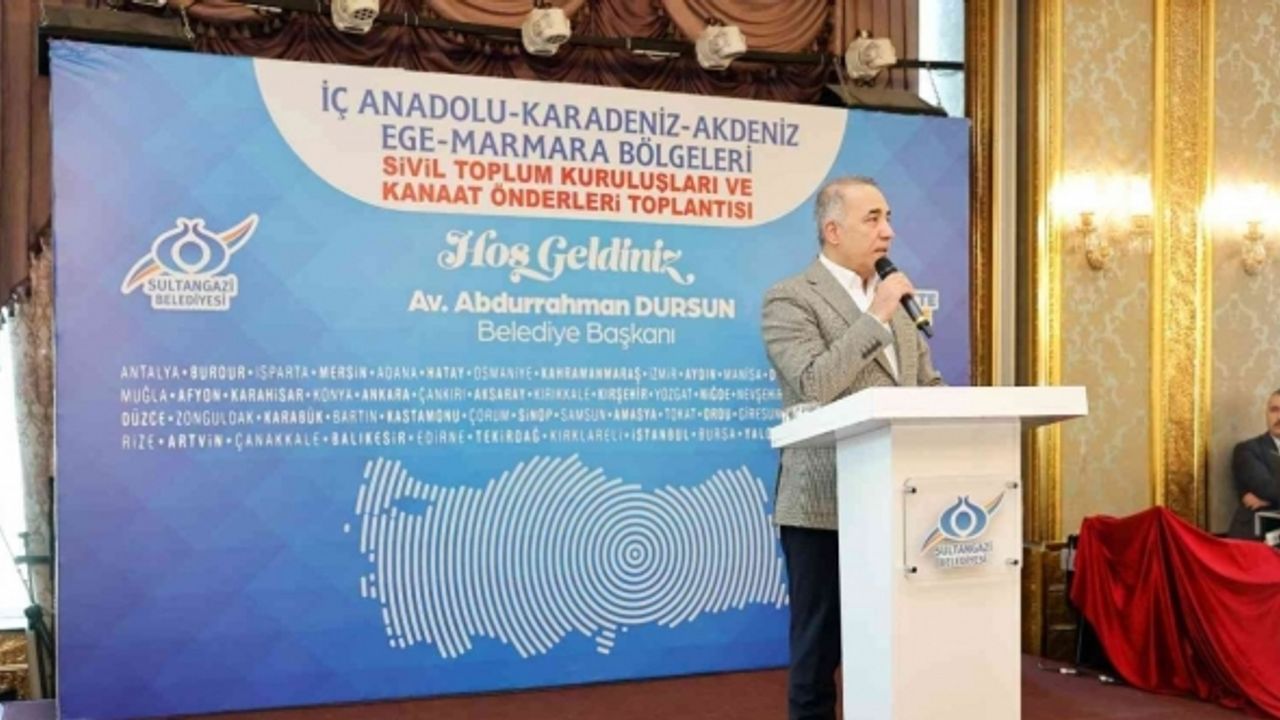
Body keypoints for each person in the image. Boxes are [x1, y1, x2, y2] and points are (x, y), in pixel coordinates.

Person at [760, 176, 944, 720]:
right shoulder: (791, 298)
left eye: (889, 217)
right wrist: (876, 316)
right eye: (873, 218)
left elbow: (925, 386)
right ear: (833, 230)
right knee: (819, 653)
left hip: (899, 503)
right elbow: (814, 383)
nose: (888, 231)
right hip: (824, 506)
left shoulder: (896, 301)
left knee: (890, 643)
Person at [1228, 389, 1280, 540]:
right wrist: (1269, 496)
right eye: (1274, 410)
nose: (1279, 417)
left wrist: (1269, 500)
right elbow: (1268, 489)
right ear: (1266, 414)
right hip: (1256, 536)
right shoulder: (1247, 450)